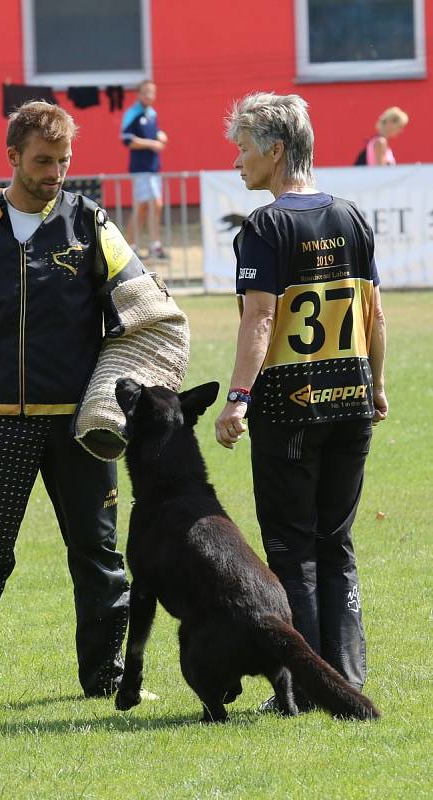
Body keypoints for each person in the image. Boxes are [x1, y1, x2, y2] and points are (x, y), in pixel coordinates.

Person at [0, 101, 153, 717]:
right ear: (12, 156)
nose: (56, 172)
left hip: (83, 425)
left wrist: (133, 385)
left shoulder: (92, 223)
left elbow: (144, 310)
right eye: (44, 161)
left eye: (64, 161)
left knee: (100, 559)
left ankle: (106, 680)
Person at [214, 92, 387, 711]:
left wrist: (237, 398)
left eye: (242, 147)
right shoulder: (351, 216)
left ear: (275, 149)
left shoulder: (266, 227)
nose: (237, 161)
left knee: (290, 546)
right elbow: (374, 314)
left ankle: (308, 690)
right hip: (352, 403)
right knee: (335, 541)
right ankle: (348, 674)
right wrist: (378, 385)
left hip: (289, 407)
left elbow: (259, 318)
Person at [121, 79, 168, 259]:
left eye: (152, 92)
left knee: (156, 205)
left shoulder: (152, 113)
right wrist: (152, 143)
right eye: (146, 92)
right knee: (142, 206)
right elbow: (127, 139)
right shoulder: (132, 113)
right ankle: (131, 245)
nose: (150, 96)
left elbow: (153, 133)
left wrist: (160, 135)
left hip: (153, 167)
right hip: (140, 168)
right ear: (139, 94)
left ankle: (155, 245)